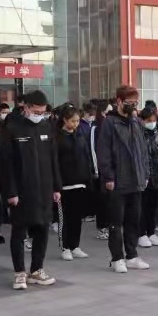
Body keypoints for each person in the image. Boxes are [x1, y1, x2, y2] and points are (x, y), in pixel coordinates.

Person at [0, 90, 62, 289]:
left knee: (42, 229)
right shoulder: (12, 129)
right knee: (19, 232)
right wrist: (11, 192)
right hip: (21, 191)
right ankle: (19, 273)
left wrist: (56, 187)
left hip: (44, 188)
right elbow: (6, 164)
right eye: (36, 111)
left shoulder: (47, 127)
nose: (39, 115)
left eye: (43, 112)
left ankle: (36, 270)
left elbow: (53, 159)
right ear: (25, 108)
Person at [96, 86, 151, 272]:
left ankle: (132, 255)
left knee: (133, 221)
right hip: (117, 180)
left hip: (136, 180)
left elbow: (143, 151)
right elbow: (103, 152)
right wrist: (108, 176)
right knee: (116, 222)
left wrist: (145, 173)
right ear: (119, 101)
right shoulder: (109, 123)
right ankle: (117, 258)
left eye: (135, 103)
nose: (133, 106)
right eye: (129, 103)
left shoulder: (136, 123)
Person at [56, 106, 93, 261]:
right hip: (65, 184)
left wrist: (88, 177)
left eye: (77, 121)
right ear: (65, 120)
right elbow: (55, 162)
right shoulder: (57, 137)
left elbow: (87, 156)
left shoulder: (80, 135)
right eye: (73, 121)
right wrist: (57, 183)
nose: (75, 124)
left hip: (80, 182)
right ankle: (65, 247)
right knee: (65, 218)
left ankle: (75, 246)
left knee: (77, 217)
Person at [137, 107, 158, 250]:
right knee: (142, 207)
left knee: (153, 207)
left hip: (157, 177)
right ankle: (141, 233)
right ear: (142, 120)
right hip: (143, 178)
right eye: (148, 120)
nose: (151, 123)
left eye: (154, 120)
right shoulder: (138, 136)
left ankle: (151, 232)